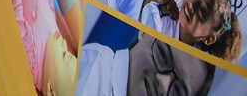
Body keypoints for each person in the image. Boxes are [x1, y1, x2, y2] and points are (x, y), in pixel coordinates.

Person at [75, 23, 216, 96]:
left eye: (178, 92)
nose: (164, 83)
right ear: (145, 31)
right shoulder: (91, 67)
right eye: (162, 56)